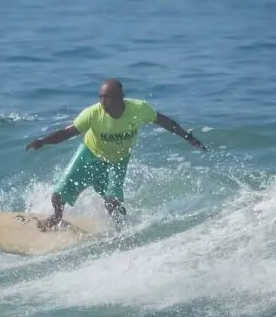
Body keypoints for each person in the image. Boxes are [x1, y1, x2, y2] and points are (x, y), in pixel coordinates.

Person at [25, 78, 207, 231]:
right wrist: (43, 141)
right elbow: (67, 133)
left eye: (108, 98)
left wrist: (188, 137)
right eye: (101, 97)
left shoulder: (139, 109)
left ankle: (123, 230)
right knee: (58, 194)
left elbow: (164, 121)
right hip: (89, 154)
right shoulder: (93, 113)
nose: (103, 102)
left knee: (113, 202)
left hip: (117, 160)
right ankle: (57, 218)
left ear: (120, 98)